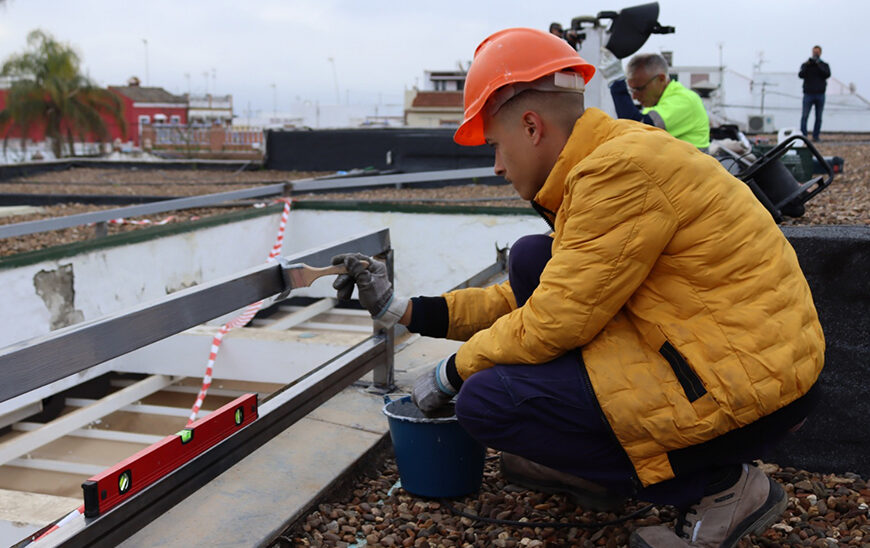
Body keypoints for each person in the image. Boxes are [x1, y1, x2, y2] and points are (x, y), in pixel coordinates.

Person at [332, 27, 824, 548]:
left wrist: (449, 373)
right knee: (531, 258)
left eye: (496, 146)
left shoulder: (617, 172)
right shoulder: (607, 158)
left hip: (749, 389)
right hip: (730, 357)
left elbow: (553, 321)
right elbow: (545, 298)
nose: (497, 166)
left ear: (531, 126)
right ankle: (602, 463)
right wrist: (404, 309)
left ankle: (721, 490)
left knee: (486, 402)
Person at [600, 50, 710, 150]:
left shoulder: (684, 100)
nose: (634, 97)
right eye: (632, 90)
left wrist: (617, 84)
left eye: (640, 89)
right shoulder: (657, 105)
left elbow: (636, 130)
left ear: (661, 79)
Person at [799, 45, 831, 142]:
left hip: (820, 94)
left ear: (820, 53)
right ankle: (803, 136)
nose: (815, 54)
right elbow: (801, 74)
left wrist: (818, 65)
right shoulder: (807, 64)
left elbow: (827, 74)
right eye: (814, 52)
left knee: (818, 117)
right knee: (805, 116)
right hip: (808, 94)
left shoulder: (824, 65)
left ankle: (815, 136)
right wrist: (808, 65)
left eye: (817, 52)